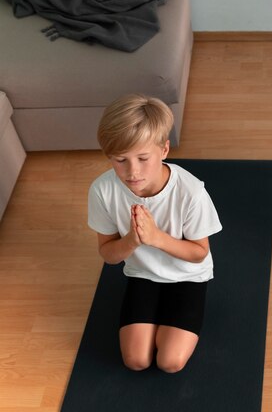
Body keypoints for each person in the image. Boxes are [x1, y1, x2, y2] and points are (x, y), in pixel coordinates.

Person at [88, 94, 222, 373]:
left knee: (169, 362)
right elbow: (108, 255)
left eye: (143, 158)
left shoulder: (191, 192)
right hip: (143, 274)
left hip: (188, 275)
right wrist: (132, 240)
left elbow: (199, 254)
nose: (132, 171)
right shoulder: (102, 190)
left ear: (164, 149)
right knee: (136, 361)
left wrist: (156, 238)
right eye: (120, 160)